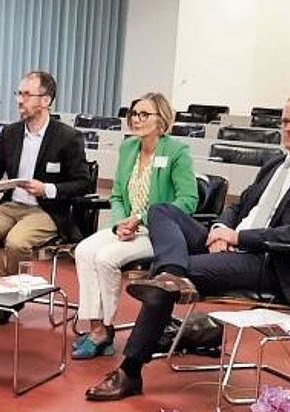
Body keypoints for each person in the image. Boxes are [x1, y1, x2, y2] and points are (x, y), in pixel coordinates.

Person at [84, 95, 290, 401]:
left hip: (268, 261)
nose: (288, 128)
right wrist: (221, 229)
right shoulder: (275, 163)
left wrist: (239, 239)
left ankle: (130, 371)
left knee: (166, 282)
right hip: (232, 243)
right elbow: (239, 207)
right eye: (285, 121)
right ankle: (172, 273)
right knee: (161, 211)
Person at [71, 92, 197, 359]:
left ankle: (105, 329)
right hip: (127, 226)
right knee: (83, 251)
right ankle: (96, 328)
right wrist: (119, 224)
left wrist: (141, 219)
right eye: (133, 114)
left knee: (106, 258)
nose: (136, 120)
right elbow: (117, 195)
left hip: (159, 231)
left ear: (161, 119)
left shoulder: (176, 151)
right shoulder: (128, 148)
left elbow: (188, 201)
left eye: (144, 114)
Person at [0, 70, 90, 326]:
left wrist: (48, 189)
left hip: (46, 210)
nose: (19, 100)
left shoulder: (67, 137)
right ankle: (2, 292)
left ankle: (8, 299)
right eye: (19, 93)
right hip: (11, 203)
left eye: (27, 94)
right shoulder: (11, 133)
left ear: (46, 100)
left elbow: (83, 182)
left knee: (16, 243)